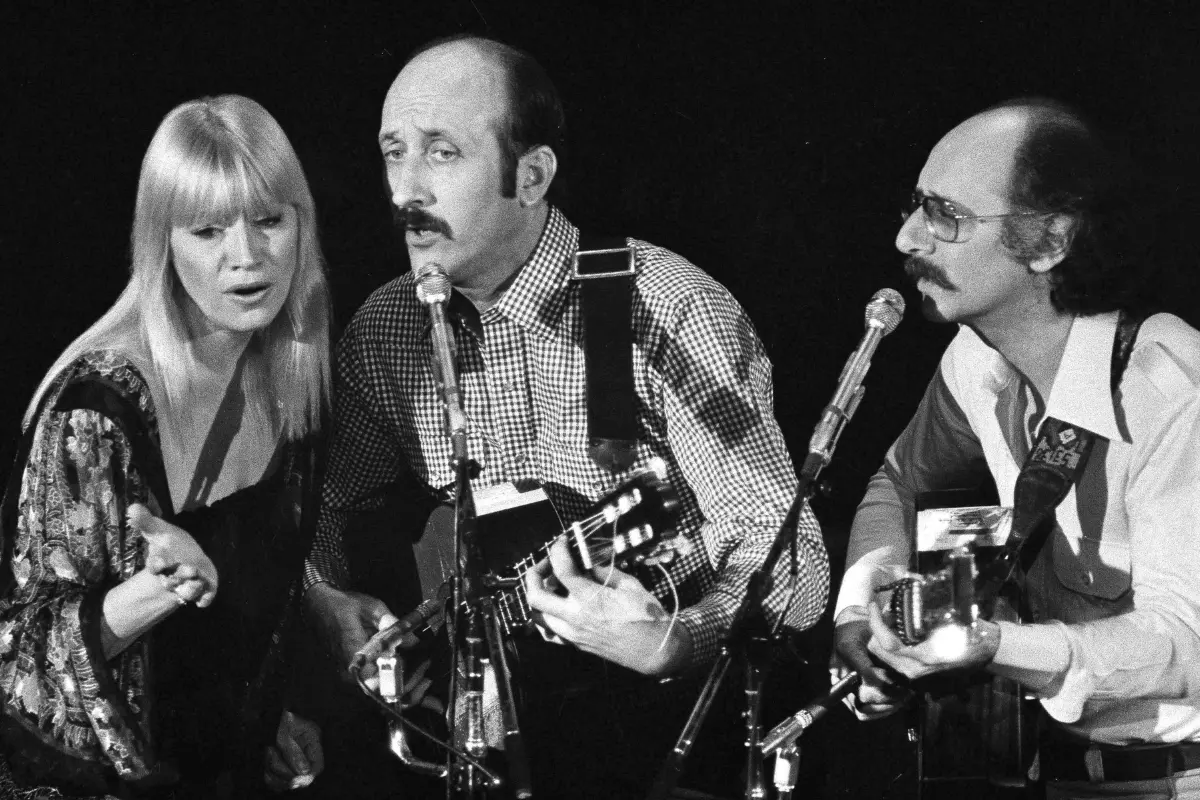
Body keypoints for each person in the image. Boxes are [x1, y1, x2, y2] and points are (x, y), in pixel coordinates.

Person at [302, 33, 829, 798]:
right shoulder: (388, 329)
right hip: (473, 749)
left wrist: (677, 639)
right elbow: (325, 512)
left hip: (645, 747)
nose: (404, 190)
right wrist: (327, 598)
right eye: (393, 153)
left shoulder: (668, 309)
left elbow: (793, 557)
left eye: (441, 153)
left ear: (533, 174)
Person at [832, 97, 1200, 799]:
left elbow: (1189, 644)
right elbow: (898, 482)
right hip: (1051, 771)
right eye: (914, 206)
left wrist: (994, 647)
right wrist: (861, 608)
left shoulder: (1174, 388)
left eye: (946, 215)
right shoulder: (974, 360)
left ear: (1051, 239)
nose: (909, 238)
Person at [0, 95, 332, 798]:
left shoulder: (292, 374)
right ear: (164, 242)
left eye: (270, 221)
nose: (247, 257)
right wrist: (156, 591)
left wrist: (263, 720)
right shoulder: (99, 407)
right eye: (208, 230)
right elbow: (19, 668)